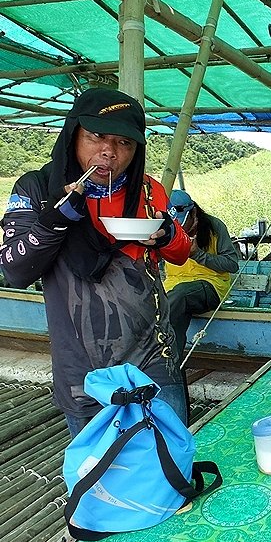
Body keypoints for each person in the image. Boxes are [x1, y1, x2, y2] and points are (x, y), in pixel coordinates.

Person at [0, 88, 191, 435]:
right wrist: (55, 219)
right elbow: (14, 269)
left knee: (170, 466)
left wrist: (167, 235)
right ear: (74, 134)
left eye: (124, 143)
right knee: (101, 478)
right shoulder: (38, 189)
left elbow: (180, 254)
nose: (109, 152)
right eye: (97, 137)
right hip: (83, 372)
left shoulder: (147, 192)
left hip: (154, 356)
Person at [163, 189, 239, 360]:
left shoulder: (214, 226)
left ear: (194, 212)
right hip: (172, 290)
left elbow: (232, 264)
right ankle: (168, 361)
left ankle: (169, 359)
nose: (180, 228)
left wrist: (198, 254)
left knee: (180, 296)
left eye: (183, 223)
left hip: (210, 285)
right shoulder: (165, 229)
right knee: (159, 303)